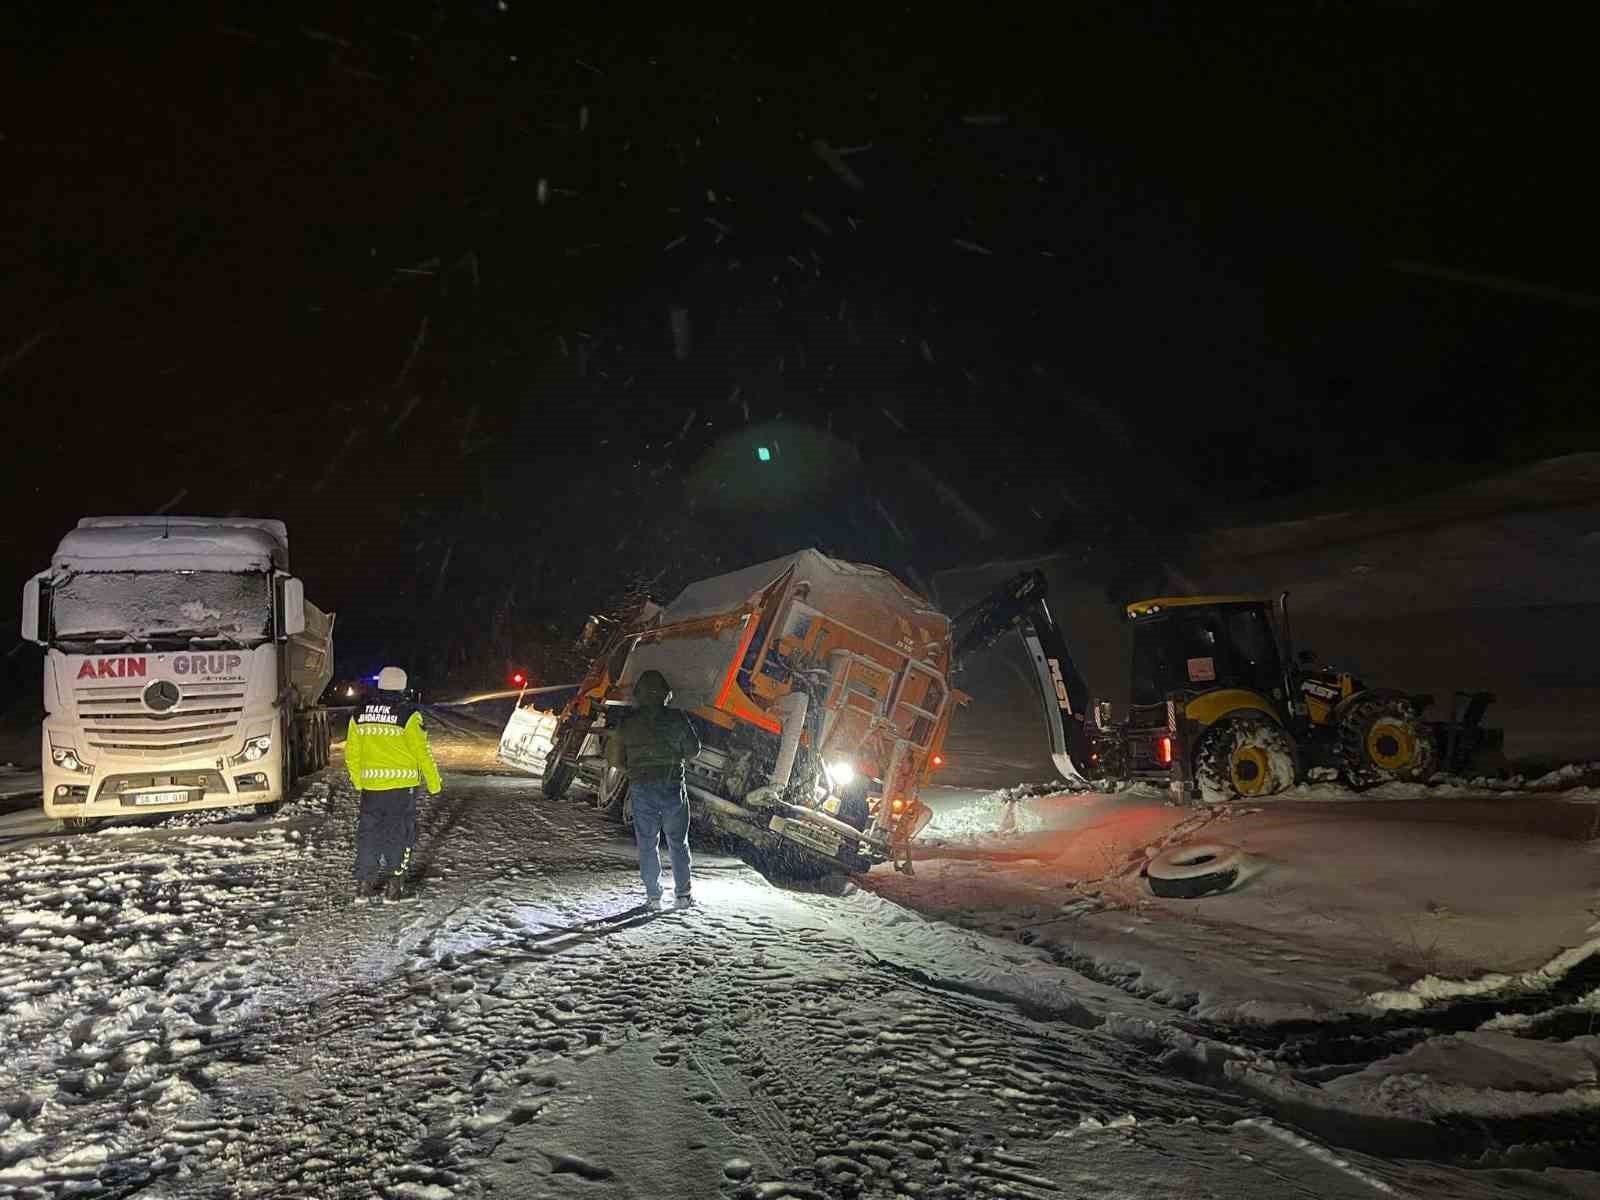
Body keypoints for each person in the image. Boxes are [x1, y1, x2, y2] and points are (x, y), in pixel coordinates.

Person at [345, 665, 442, 901]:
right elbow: (422, 752)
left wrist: (358, 780)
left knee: (369, 834)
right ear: (403, 686)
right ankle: (394, 888)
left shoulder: (360, 714)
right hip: (401, 788)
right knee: (398, 834)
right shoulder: (408, 715)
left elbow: (352, 752)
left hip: (371, 789)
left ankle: (363, 887)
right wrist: (433, 782)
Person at [606, 669, 701, 909]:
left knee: (647, 842)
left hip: (641, 787)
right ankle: (682, 895)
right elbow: (693, 750)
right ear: (666, 695)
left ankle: (653, 897)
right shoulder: (677, 718)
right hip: (672, 786)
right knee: (678, 841)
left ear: (638, 695)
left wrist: (635, 767)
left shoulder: (627, 723)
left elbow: (614, 759)